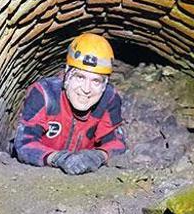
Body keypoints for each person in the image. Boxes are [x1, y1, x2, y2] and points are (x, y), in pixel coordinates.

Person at [13, 33, 127, 174]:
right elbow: (24, 144)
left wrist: (98, 156)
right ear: (67, 74)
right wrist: (58, 158)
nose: (86, 89)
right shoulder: (45, 94)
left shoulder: (109, 99)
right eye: (80, 77)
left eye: (96, 81)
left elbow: (117, 143)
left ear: (104, 85)